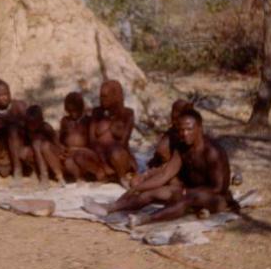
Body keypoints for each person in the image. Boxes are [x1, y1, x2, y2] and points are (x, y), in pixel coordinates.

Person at [82, 108, 240, 227]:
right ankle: (110, 207)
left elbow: (219, 188)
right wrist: (138, 188)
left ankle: (146, 219)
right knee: (152, 192)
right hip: (190, 191)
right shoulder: (183, 147)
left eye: (189, 129)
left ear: (200, 128)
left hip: (216, 198)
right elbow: (166, 173)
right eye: (181, 130)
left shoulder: (212, 152)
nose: (184, 134)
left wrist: (188, 192)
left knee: (187, 198)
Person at [87, 80, 138, 186]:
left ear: (115, 96)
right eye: (101, 96)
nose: (102, 99)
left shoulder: (127, 114)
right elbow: (92, 140)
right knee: (78, 156)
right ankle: (109, 174)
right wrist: (102, 161)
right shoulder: (96, 112)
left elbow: (123, 143)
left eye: (105, 96)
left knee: (116, 153)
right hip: (99, 156)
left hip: (118, 157)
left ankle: (120, 176)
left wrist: (112, 120)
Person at [58, 91, 105, 183]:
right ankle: (80, 178)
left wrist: (78, 150)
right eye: (70, 111)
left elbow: (93, 143)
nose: (72, 114)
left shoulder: (88, 121)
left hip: (85, 154)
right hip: (70, 153)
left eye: (75, 110)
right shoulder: (65, 121)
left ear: (81, 108)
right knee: (68, 163)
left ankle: (93, 174)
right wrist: (63, 149)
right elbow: (61, 139)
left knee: (79, 158)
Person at [25, 104, 66, 189]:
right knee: (34, 145)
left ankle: (59, 176)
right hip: (37, 155)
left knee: (43, 146)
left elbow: (56, 142)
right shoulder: (26, 129)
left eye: (34, 123)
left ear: (41, 120)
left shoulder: (46, 127)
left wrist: (60, 153)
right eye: (30, 123)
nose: (32, 126)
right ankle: (44, 177)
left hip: (51, 154)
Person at [147, 99, 194, 169]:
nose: (172, 118)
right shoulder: (172, 131)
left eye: (176, 117)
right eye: (172, 115)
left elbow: (170, 170)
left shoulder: (186, 137)